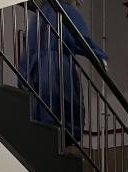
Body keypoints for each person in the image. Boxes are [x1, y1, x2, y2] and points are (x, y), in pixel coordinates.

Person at [18, 0, 108, 141]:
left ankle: (49, 139)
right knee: (65, 110)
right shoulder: (66, 10)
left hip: (38, 68)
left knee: (45, 113)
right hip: (59, 66)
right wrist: (99, 56)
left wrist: (23, 74)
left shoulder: (39, 15)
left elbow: (29, 48)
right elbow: (81, 39)